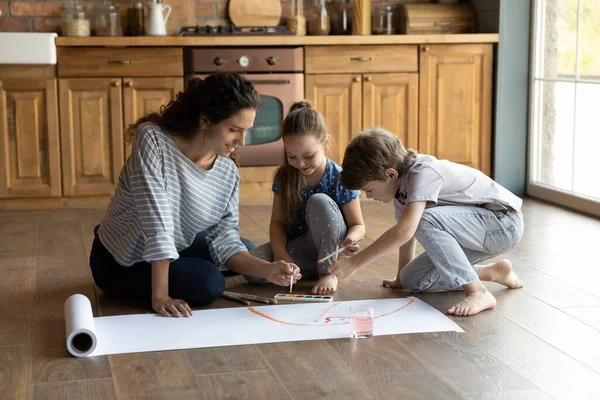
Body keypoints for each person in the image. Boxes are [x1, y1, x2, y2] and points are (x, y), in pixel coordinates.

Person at [89, 72, 301, 318]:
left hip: (173, 245)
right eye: (233, 129)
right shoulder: (152, 140)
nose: (241, 141)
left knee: (245, 248)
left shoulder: (227, 170)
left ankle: (211, 272)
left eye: (246, 131)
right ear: (205, 120)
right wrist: (161, 296)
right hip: (120, 259)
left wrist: (269, 270)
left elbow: (224, 239)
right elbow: (157, 223)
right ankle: (203, 278)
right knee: (208, 283)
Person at [329, 128, 524, 316]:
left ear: (390, 174)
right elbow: (406, 235)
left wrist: (355, 262)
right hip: (479, 232)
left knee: (422, 219)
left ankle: (477, 291)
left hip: (503, 224)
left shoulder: (423, 172)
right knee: (412, 280)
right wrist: (400, 278)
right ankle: (492, 272)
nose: (370, 196)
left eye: (369, 189)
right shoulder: (400, 189)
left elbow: (404, 230)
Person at [250, 102, 365, 295]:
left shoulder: (339, 177)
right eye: (292, 157)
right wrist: (281, 254)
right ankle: (306, 270)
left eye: (309, 156)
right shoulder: (284, 176)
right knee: (253, 269)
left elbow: (358, 225)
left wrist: (351, 239)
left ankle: (327, 273)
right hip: (302, 247)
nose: (300, 164)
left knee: (319, 201)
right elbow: (277, 222)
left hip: (332, 250)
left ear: (325, 144)